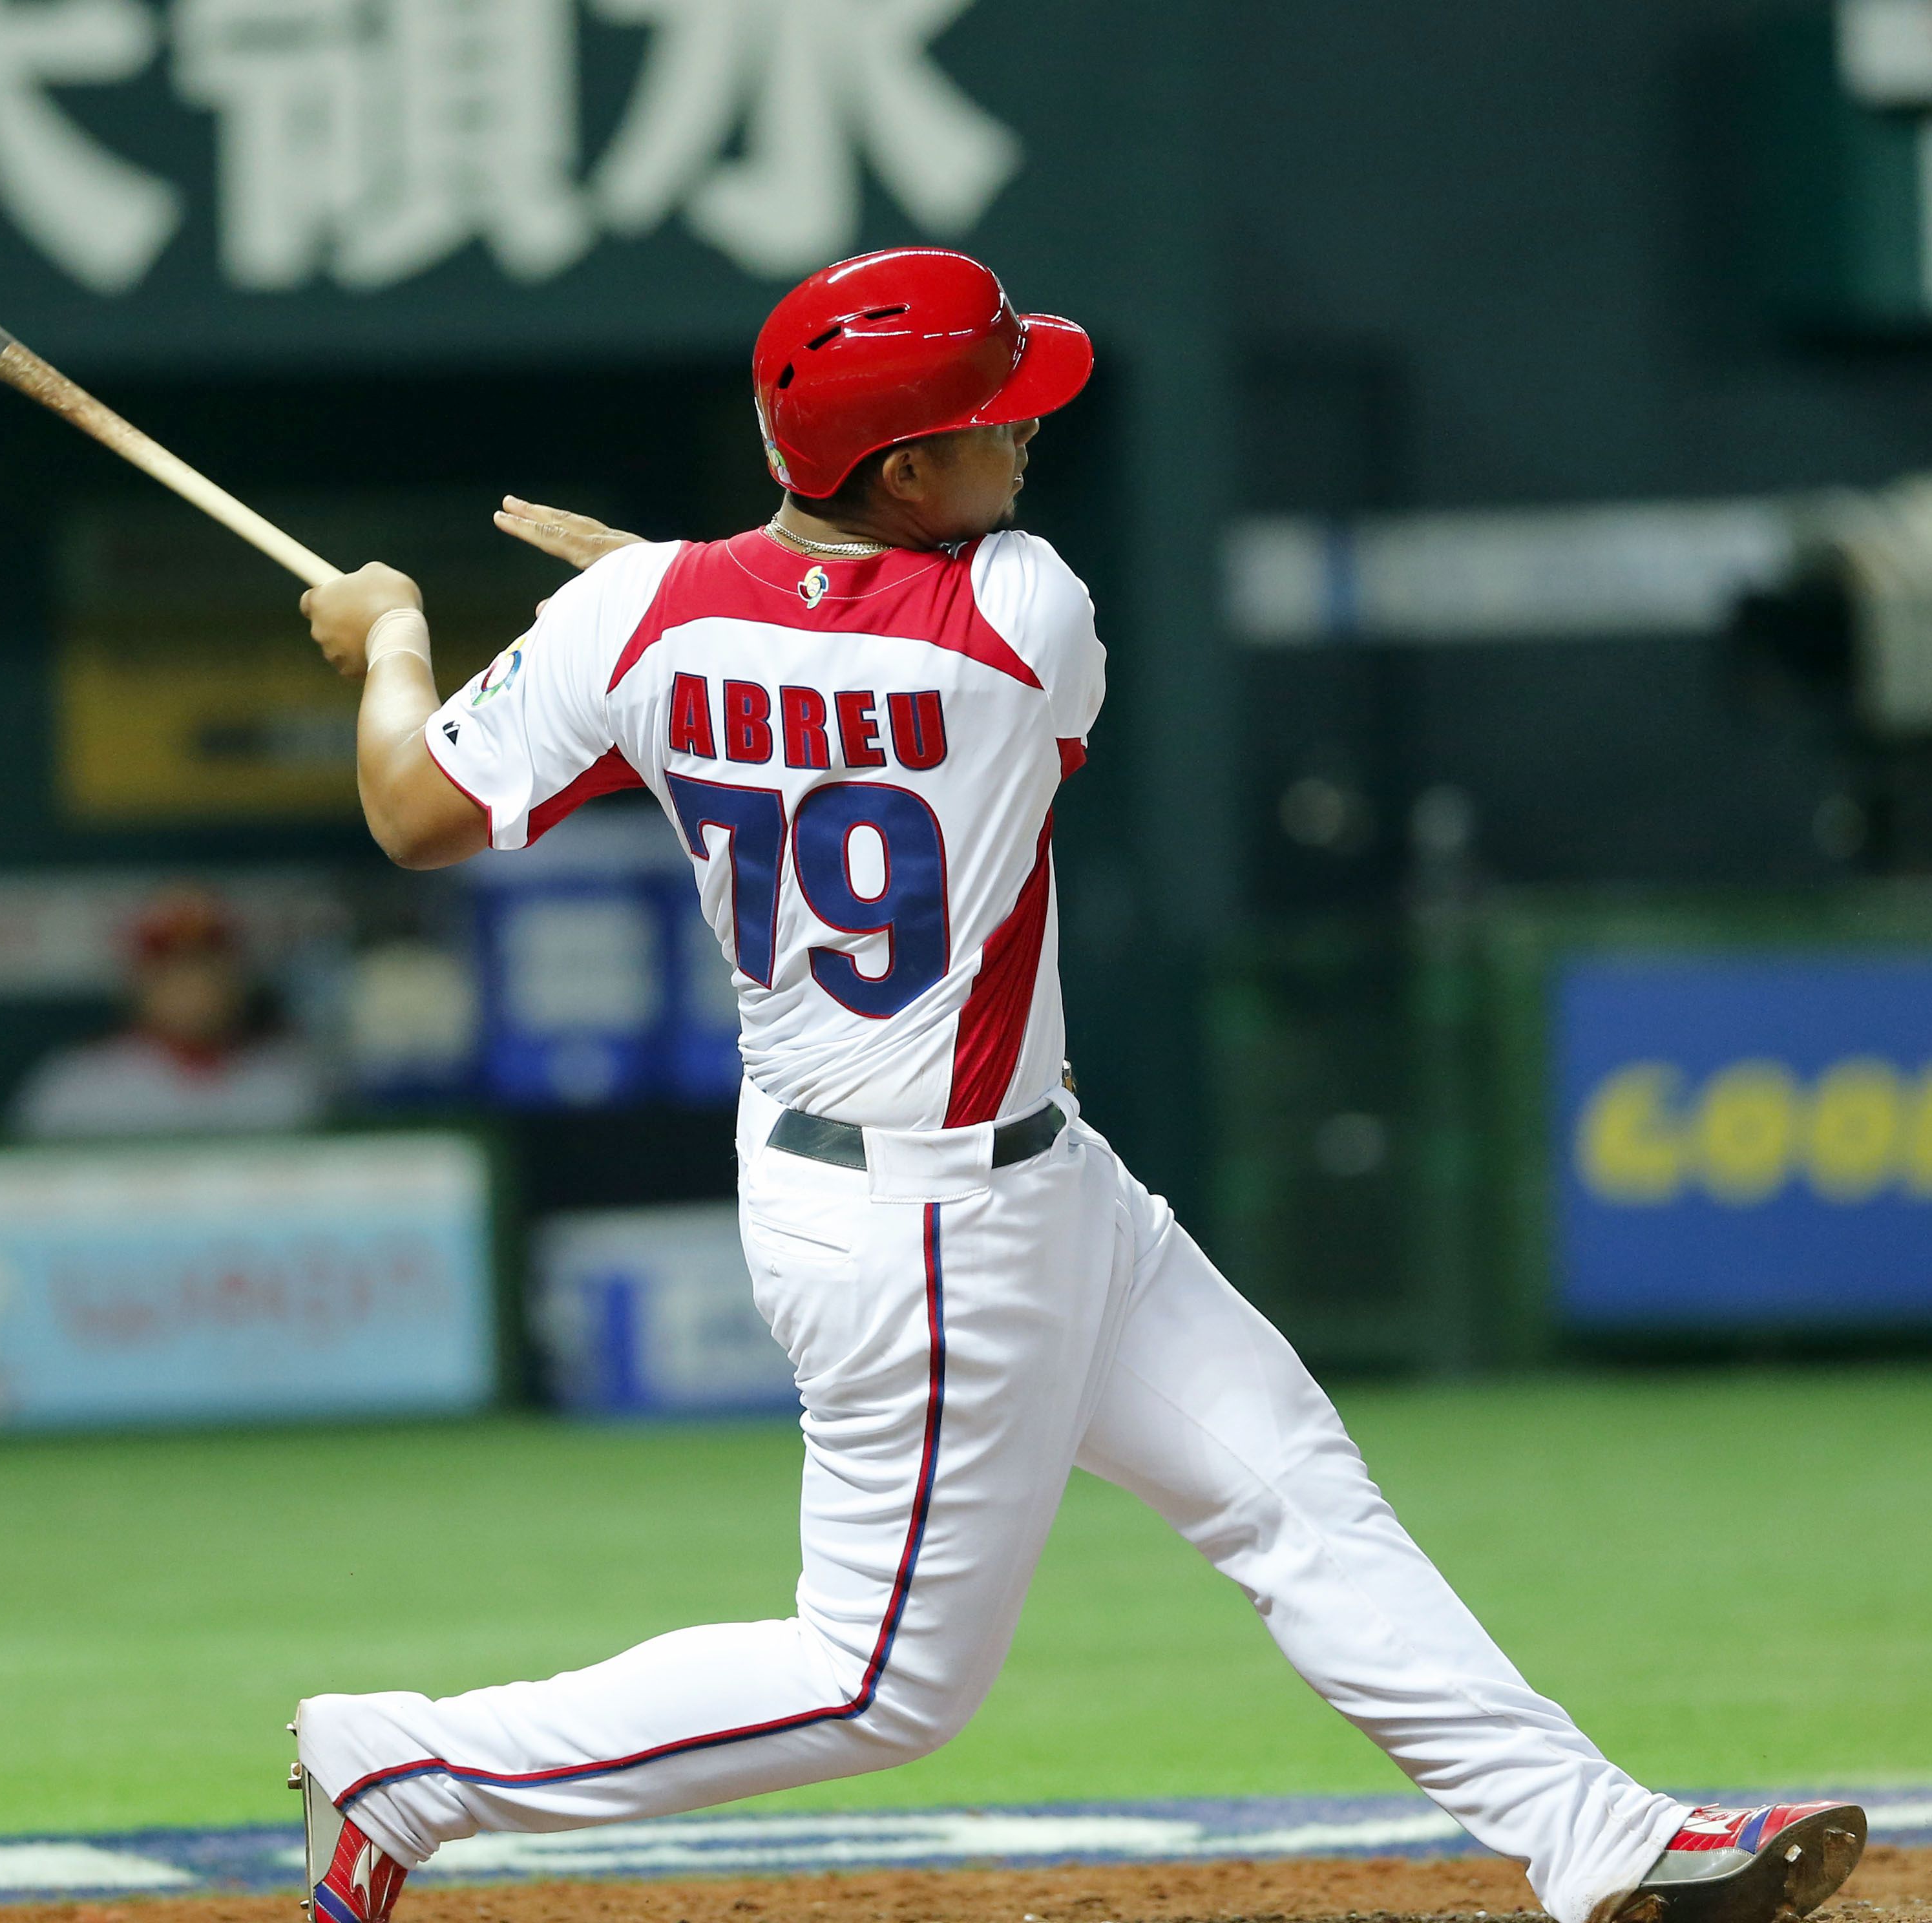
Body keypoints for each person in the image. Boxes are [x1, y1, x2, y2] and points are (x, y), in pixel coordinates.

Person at [284, 249, 1865, 1923]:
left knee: (1285, 1489)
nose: (1020, 441)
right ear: (900, 473)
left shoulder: (639, 619)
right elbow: (862, 673)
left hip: (1019, 1186)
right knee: (875, 1685)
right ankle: (402, 1763)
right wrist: (713, 621)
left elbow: (412, 806)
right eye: (988, 419)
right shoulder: (1020, 609)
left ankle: (1595, 1837)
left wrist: (395, 636)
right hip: (923, 1224)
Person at [10, 888, 322, 1139]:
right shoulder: (78, 1089)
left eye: (207, 966)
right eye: (173, 970)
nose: (194, 984)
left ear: (240, 978)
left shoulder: (289, 1080)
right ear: (137, 982)